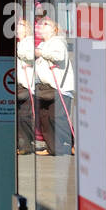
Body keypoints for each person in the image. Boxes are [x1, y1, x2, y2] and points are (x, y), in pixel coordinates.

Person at [34, 10, 75, 155]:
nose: (42, 26)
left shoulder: (58, 42)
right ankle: (53, 147)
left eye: (46, 24)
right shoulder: (43, 44)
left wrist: (41, 54)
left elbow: (58, 57)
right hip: (46, 88)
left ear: (54, 30)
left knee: (58, 117)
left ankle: (74, 143)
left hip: (60, 87)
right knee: (45, 118)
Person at [15, 14, 36, 156]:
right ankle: (22, 144)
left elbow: (30, 56)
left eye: (20, 26)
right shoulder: (19, 43)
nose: (17, 28)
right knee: (19, 116)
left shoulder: (29, 42)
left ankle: (27, 144)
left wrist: (18, 52)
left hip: (27, 83)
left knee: (25, 116)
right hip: (19, 83)